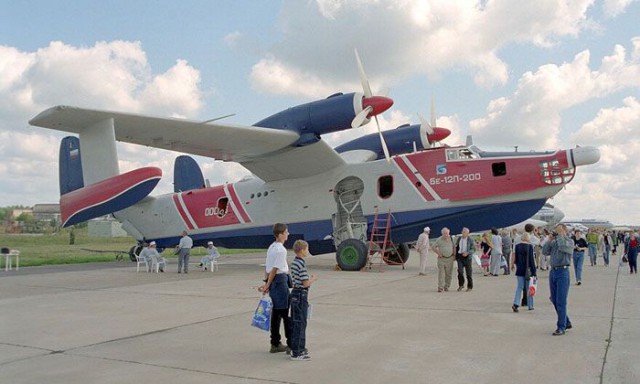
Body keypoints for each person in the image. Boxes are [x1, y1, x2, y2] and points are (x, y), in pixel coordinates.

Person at [258, 223, 292, 353]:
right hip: (280, 281)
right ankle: (291, 343)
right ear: (280, 234)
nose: (288, 234)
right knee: (286, 313)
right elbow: (275, 269)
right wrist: (267, 284)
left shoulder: (271, 247)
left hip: (273, 282)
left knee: (276, 314)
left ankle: (275, 342)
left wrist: (267, 282)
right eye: (286, 232)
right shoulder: (281, 250)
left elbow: (267, 268)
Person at [289, 240, 318, 361]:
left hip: (295, 293)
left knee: (296, 322)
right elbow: (305, 283)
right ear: (302, 250)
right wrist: (313, 279)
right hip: (301, 294)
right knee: (301, 323)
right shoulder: (301, 264)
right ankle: (298, 351)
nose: (307, 251)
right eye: (306, 249)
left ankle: (294, 347)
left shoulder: (294, 263)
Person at [543, 224, 574, 336]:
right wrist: (549, 239)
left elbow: (563, 247)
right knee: (554, 299)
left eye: (560, 230)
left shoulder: (569, 242)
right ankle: (566, 321)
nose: (557, 232)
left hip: (563, 272)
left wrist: (561, 235)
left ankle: (561, 326)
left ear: (565, 231)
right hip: (553, 272)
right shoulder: (554, 242)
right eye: (557, 230)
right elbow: (545, 252)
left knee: (561, 300)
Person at [511, 233, 536, 312]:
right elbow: (531, 260)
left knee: (519, 287)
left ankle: (516, 303)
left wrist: (514, 265)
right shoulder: (530, 247)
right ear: (528, 238)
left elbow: (516, 258)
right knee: (529, 288)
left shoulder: (517, 246)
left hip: (520, 269)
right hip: (528, 270)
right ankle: (530, 305)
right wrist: (534, 272)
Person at [433, 227, 455, 292]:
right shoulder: (439, 240)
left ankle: (447, 286)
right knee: (441, 274)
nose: (446, 235)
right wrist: (438, 253)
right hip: (441, 259)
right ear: (442, 234)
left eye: (447, 233)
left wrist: (454, 255)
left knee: (449, 274)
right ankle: (440, 287)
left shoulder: (452, 239)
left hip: (450, 258)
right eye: (445, 233)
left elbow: (454, 247)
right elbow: (433, 247)